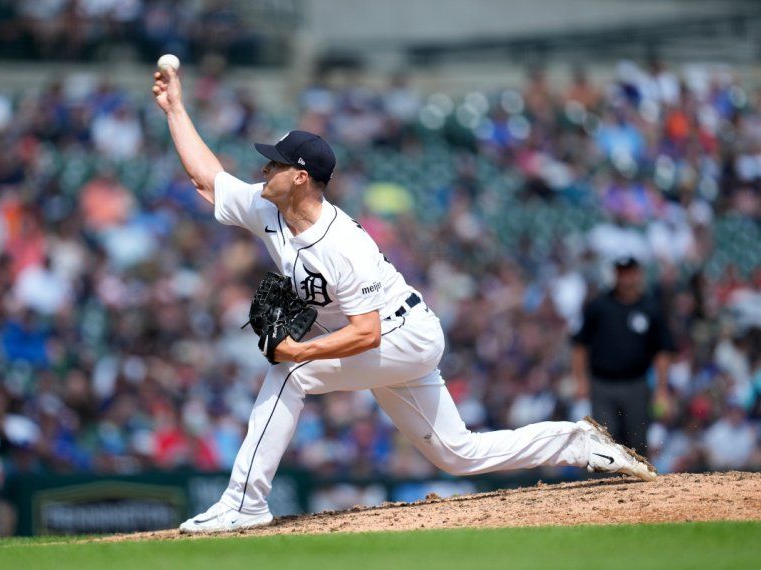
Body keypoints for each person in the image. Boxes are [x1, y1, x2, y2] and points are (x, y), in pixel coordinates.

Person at [150, 66, 657, 534]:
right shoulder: (267, 208)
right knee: (458, 454)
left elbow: (366, 332)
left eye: (274, 164)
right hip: (383, 339)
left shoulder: (343, 245)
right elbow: (207, 179)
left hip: (403, 334)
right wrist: (175, 108)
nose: (263, 170)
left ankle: (245, 502)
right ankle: (579, 441)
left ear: (300, 177)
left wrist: (299, 352)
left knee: (290, 374)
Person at [572, 256, 675, 456]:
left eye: (630, 272)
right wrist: (580, 381)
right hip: (602, 385)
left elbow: (662, 351)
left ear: (638, 274)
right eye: (621, 273)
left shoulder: (651, 308)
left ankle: (639, 486)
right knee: (604, 440)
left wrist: (662, 389)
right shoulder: (599, 307)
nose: (626, 278)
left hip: (636, 384)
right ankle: (605, 487)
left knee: (637, 441)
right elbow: (580, 346)